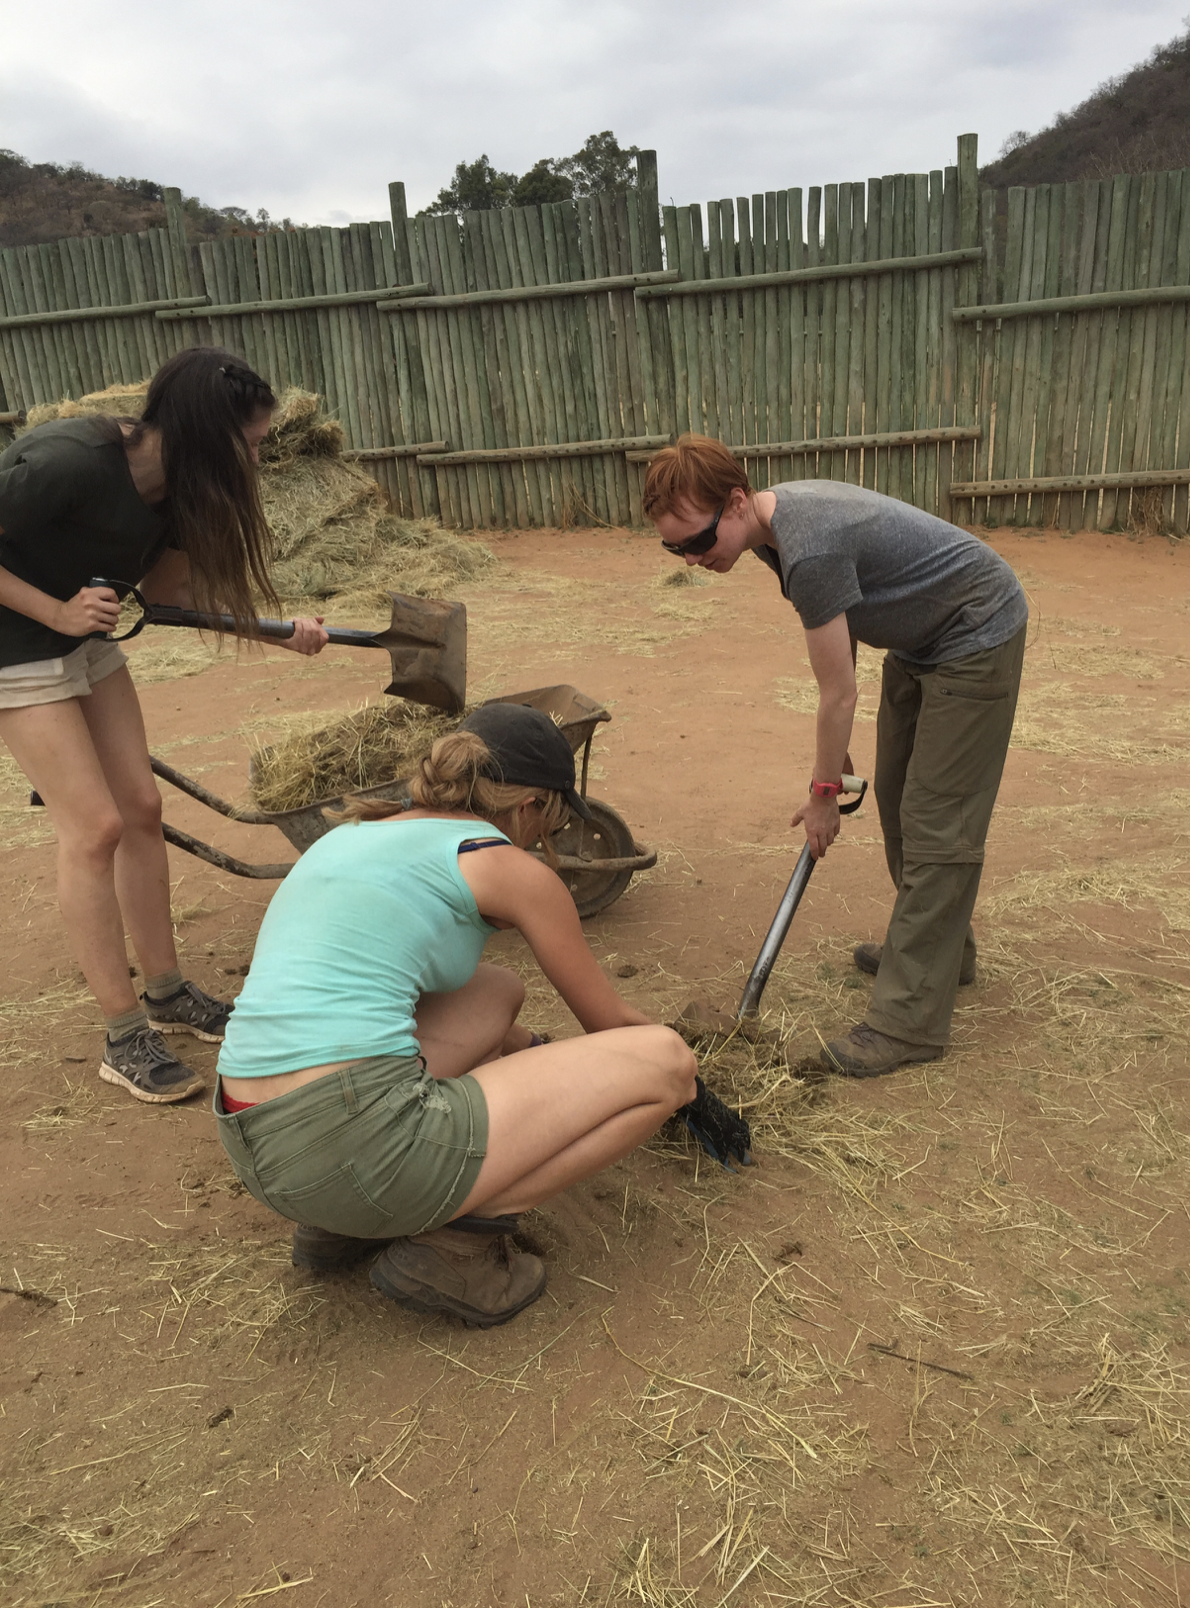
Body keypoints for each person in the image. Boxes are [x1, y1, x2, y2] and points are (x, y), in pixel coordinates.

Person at [214, 703, 697, 1328]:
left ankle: (343, 1227)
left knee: (495, 991)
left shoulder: (351, 835)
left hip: (258, 1142)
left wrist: (532, 1050)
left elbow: (445, 1007)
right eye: (549, 819)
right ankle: (457, 1245)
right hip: (353, 1142)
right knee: (666, 1064)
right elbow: (614, 1028)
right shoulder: (510, 869)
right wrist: (694, 1078)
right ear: (530, 807)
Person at [0, 348, 329, 1106]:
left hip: (85, 637)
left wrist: (277, 631)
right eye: (250, 442)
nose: (258, 455)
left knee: (142, 810)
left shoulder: (183, 491)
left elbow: (167, 596)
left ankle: (169, 992)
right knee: (93, 829)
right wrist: (54, 611)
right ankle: (123, 1036)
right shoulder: (71, 461)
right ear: (205, 431)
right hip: (16, 642)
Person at [644, 435, 1027, 1078]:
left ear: (736, 503)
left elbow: (837, 693)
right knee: (903, 805)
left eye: (697, 540)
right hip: (919, 639)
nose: (689, 558)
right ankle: (940, 956)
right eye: (672, 546)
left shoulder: (809, 544)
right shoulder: (770, 533)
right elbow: (840, 633)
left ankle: (907, 1023)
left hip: (973, 633)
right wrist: (837, 754)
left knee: (940, 820)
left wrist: (823, 798)